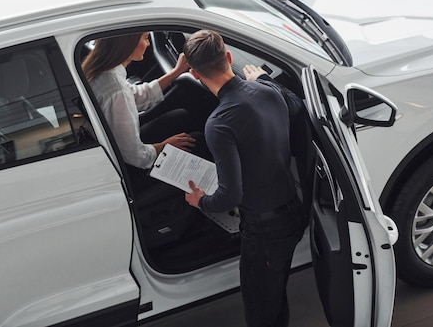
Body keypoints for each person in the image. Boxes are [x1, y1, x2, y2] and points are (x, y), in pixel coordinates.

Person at [182, 29, 305, 327]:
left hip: (264, 230)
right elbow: (297, 106)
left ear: (195, 75)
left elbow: (230, 196)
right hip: (291, 211)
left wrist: (201, 201)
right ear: (228, 57)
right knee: (273, 293)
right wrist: (262, 78)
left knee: (260, 308)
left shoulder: (219, 123)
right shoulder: (268, 90)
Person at [82, 31, 199, 171]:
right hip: (130, 167)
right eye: (145, 38)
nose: (149, 44)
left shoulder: (105, 73)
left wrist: (175, 73)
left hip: (114, 149)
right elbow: (135, 156)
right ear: (128, 44)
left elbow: (138, 95)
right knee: (197, 141)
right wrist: (164, 146)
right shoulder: (116, 90)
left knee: (180, 116)